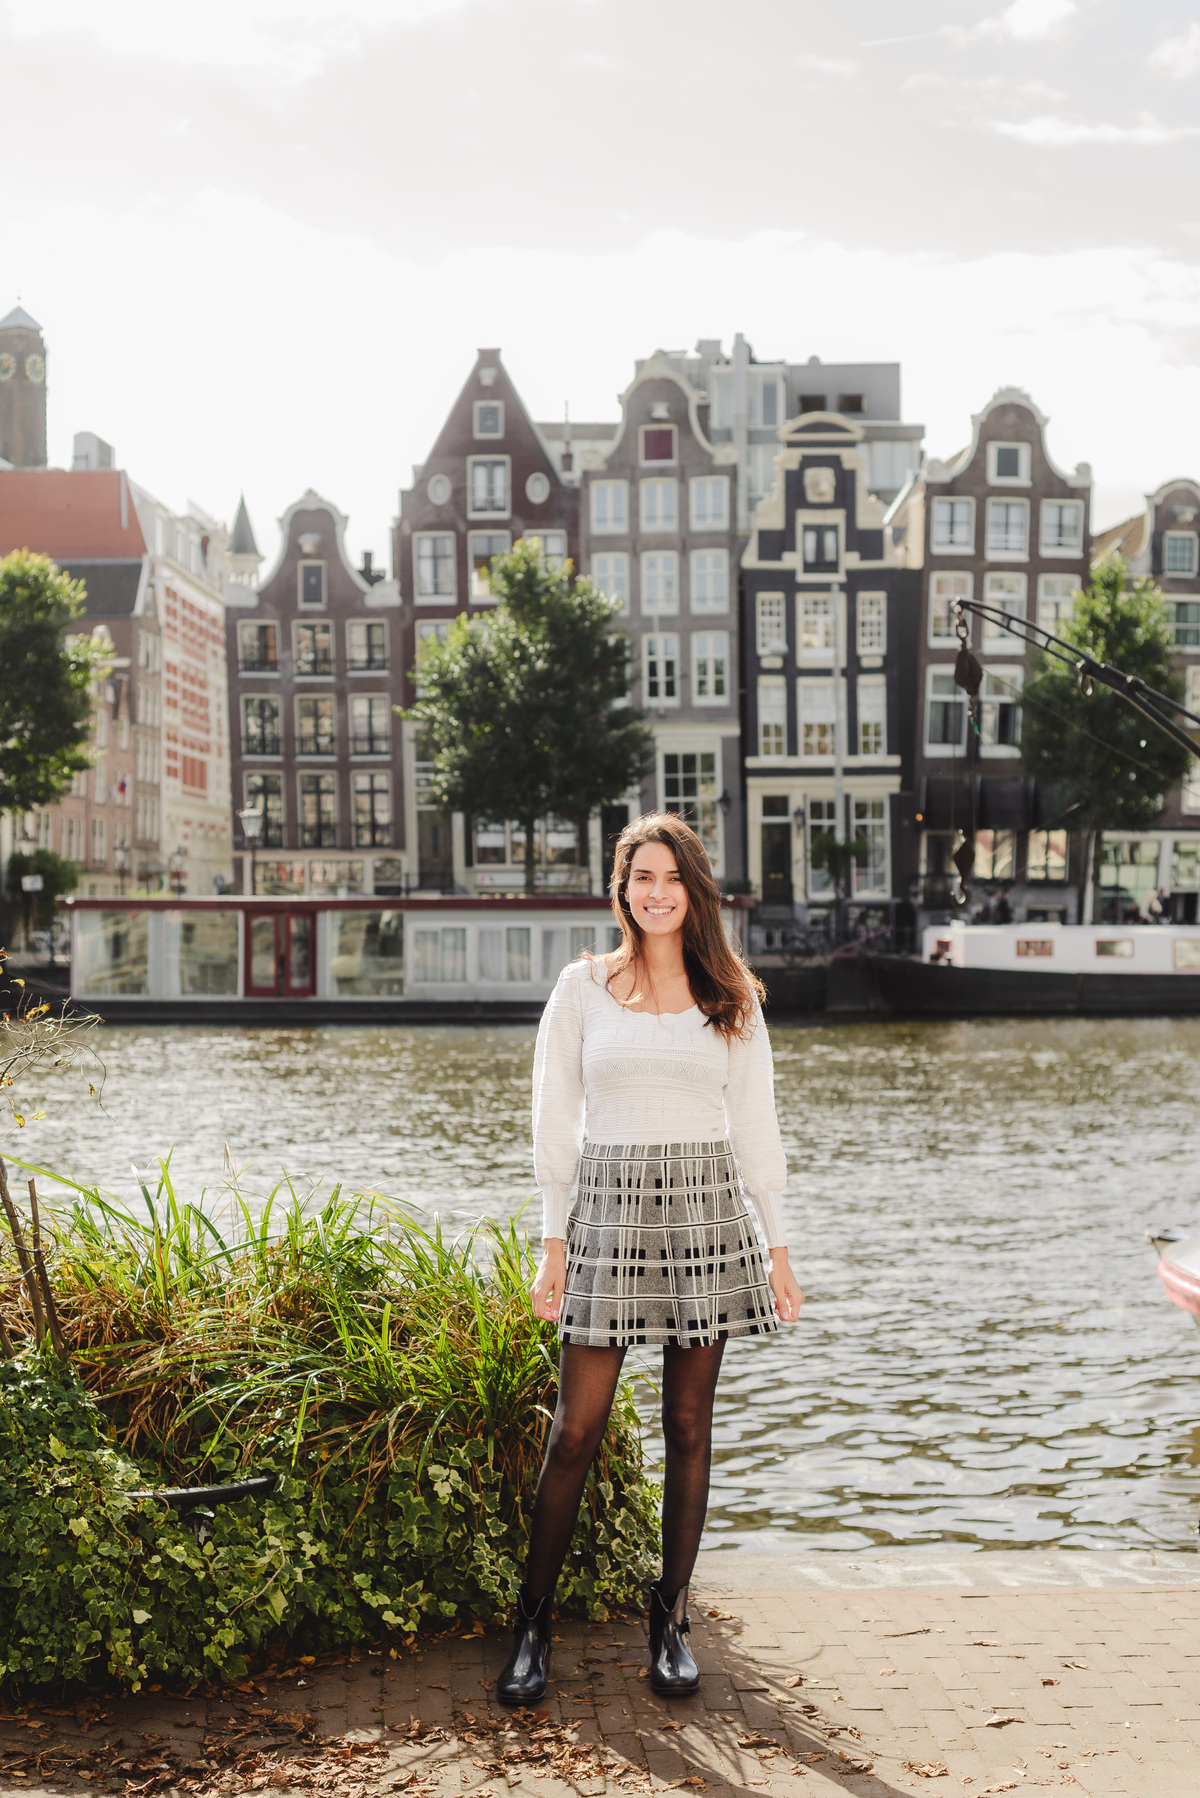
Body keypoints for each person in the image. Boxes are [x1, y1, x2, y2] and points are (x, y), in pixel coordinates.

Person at [496, 812, 804, 1707]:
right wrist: (552, 1247)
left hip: (709, 1215)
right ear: (623, 890)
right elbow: (554, 1120)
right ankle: (533, 1621)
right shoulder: (583, 987)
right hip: (605, 1214)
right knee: (576, 1432)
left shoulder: (731, 995)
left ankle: (670, 1616)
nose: (656, 892)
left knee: (689, 1429)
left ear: (693, 889)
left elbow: (756, 1126)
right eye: (641, 878)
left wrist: (777, 1244)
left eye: (671, 877)